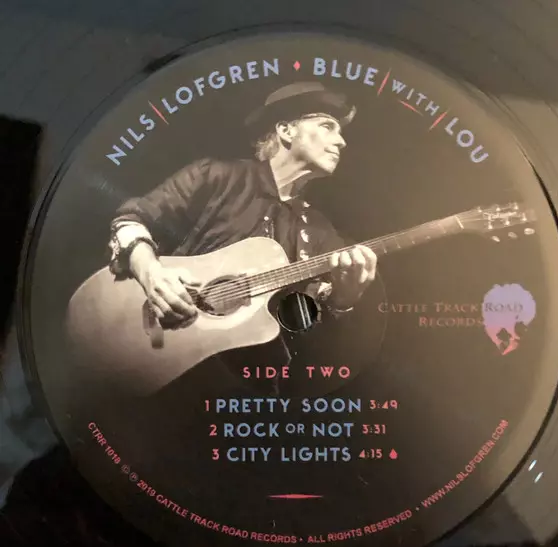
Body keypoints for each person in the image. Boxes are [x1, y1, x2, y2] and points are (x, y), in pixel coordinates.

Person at [106, 82, 378, 390]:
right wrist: (151, 274)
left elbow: (311, 335)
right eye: (327, 126)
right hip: (163, 366)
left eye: (340, 132)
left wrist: (344, 300)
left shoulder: (320, 231)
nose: (341, 141)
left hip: (245, 389)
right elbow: (131, 220)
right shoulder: (215, 176)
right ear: (286, 130)